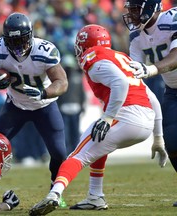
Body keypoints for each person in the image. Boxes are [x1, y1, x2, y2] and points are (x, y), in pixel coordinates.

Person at [28, 24, 168, 216]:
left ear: (86, 45)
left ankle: (54, 194)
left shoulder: (92, 56)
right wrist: (158, 138)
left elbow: (119, 82)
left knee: (77, 156)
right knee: (98, 144)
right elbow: (152, 99)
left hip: (125, 117)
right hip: (145, 122)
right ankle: (95, 196)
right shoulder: (123, 58)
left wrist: (109, 117)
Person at [79, 0, 177, 210]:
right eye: (130, 9)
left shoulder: (172, 20)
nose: (131, 14)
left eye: (135, 9)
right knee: (173, 141)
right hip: (173, 90)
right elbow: (133, 75)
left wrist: (151, 70)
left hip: (168, 82)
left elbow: (175, 56)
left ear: (151, 7)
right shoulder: (136, 38)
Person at [0, 12, 68, 204]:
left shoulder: (43, 51)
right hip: (15, 105)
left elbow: (62, 82)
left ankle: (56, 192)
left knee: (60, 153)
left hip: (44, 106)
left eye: (21, 40)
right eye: (13, 41)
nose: (18, 45)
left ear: (30, 36)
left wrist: (43, 93)